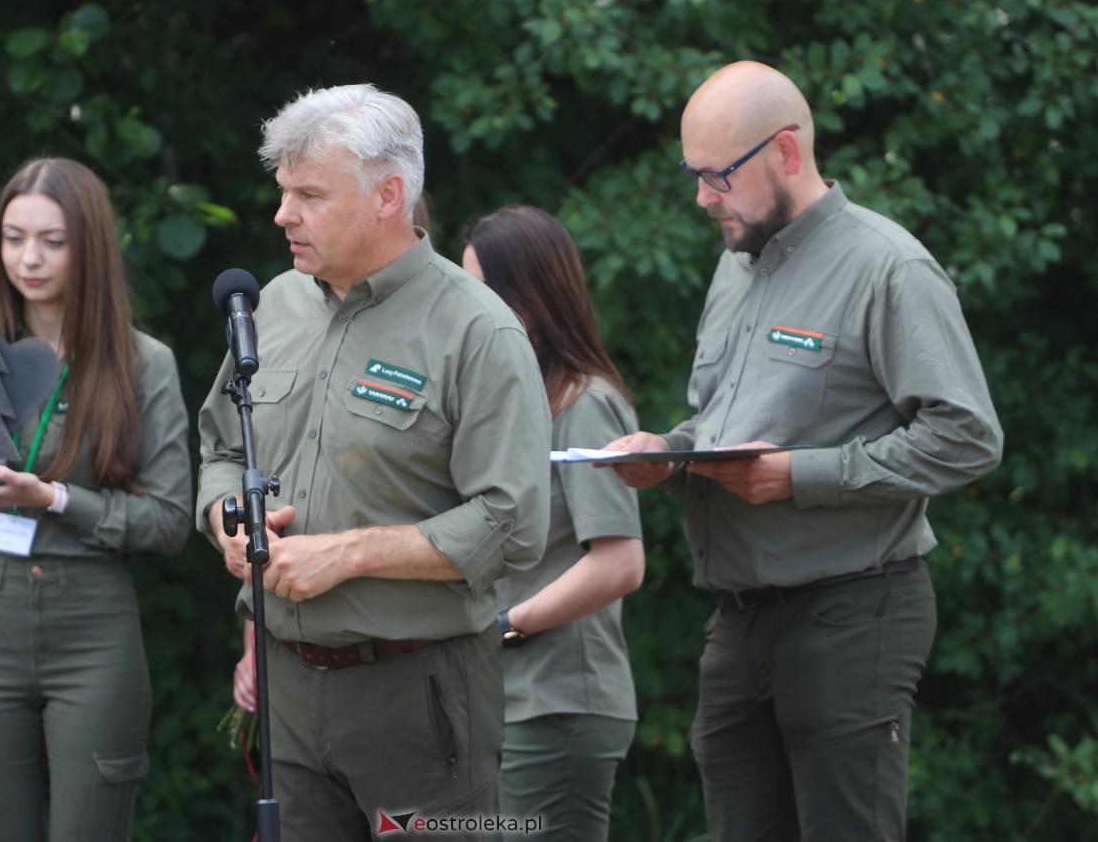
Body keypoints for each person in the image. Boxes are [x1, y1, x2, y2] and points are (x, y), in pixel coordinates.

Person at [603, 61, 1003, 840]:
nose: (702, 197)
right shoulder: (733, 265)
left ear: (786, 151)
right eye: (694, 174)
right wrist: (670, 453)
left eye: (717, 175)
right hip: (736, 619)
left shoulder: (888, 268)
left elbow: (968, 438)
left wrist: (803, 477)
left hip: (851, 612)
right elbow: (725, 425)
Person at [198, 83, 551, 840]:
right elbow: (223, 449)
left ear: (389, 195)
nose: (281, 214)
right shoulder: (269, 309)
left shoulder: (478, 331)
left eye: (308, 195)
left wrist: (351, 554)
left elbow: (512, 523)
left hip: (416, 690)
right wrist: (230, 516)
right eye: (283, 192)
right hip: (286, 688)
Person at [0, 157, 192, 841]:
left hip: (92, 621)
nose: (27, 258)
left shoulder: (143, 362)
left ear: (88, 244)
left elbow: (172, 520)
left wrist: (57, 497)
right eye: (12, 238)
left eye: (52, 240)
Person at [460, 204, 645, 841]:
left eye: (480, 293)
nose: (467, 311)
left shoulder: (587, 405)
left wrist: (506, 627)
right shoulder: (511, 402)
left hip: (560, 704)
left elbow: (620, 563)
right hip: (502, 703)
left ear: (530, 299)